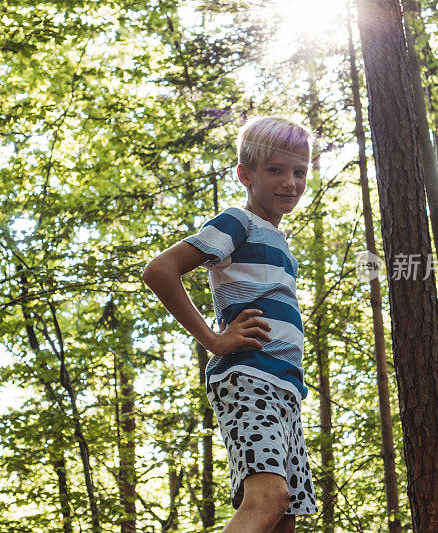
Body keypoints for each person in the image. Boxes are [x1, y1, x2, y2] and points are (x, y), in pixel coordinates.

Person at [142, 116, 317, 533]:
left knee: (283, 516)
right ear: (245, 174)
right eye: (275, 169)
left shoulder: (280, 243)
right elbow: (160, 270)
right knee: (268, 498)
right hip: (248, 378)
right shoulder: (237, 222)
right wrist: (214, 341)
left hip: (285, 390)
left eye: (299, 171)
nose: (290, 182)